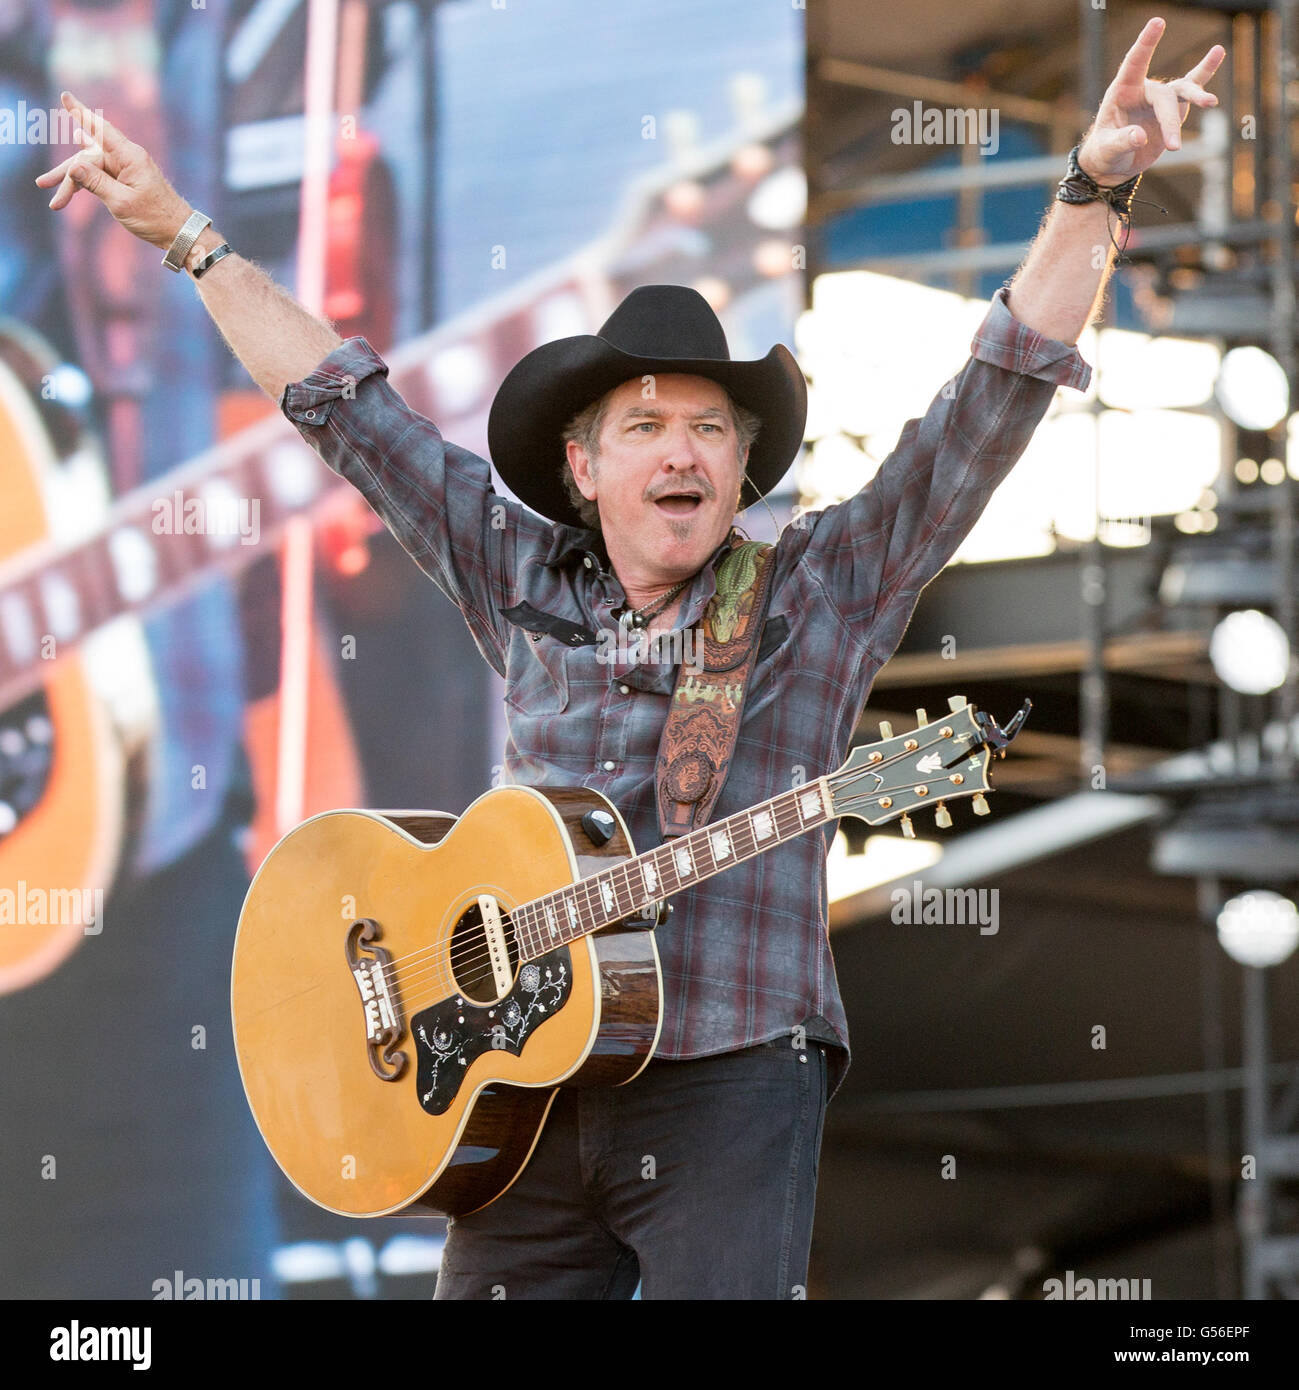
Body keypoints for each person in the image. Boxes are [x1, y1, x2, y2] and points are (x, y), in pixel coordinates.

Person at [38, 17, 1222, 1299]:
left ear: (740, 467)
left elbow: (992, 398)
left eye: (712, 427)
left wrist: (1096, 188)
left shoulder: (816, 585)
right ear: (580, 467)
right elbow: (341, 406)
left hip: (728, 1073)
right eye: (646, 423)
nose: (683, 451)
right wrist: (186, 239)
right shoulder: (516, 569)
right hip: (520, 1095)